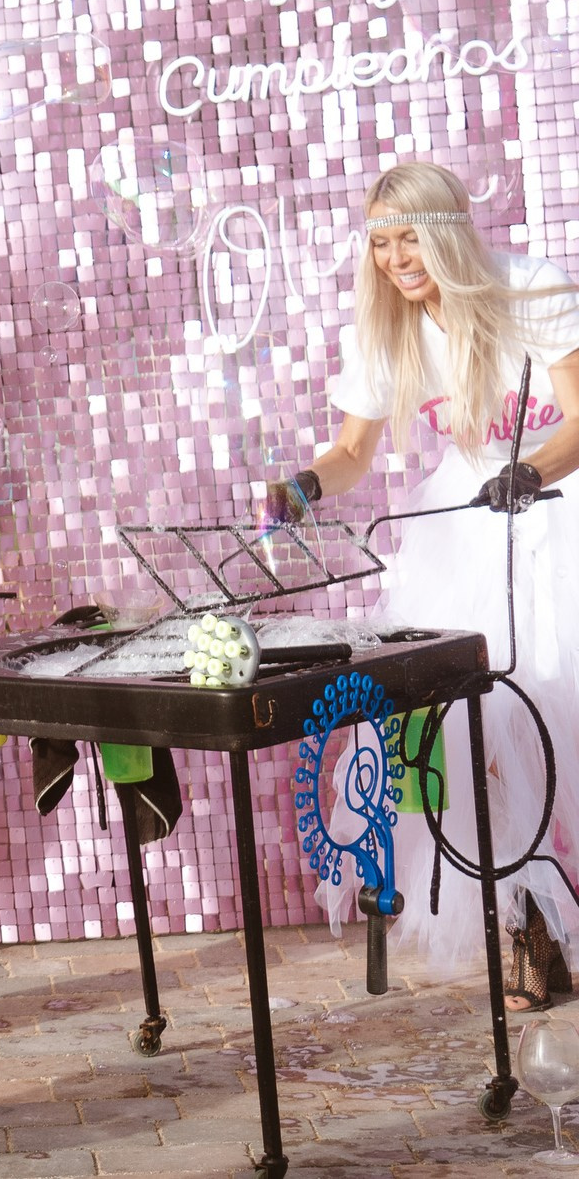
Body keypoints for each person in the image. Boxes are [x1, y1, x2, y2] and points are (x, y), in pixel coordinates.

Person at [284, 161, 579, 1007]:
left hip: (554, 511)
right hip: (467, 524)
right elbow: (351, 454)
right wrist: (301, 485)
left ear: (447, 229)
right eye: (381, 241)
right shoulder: (390, 329)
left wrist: (530, 470)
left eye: (410, 235)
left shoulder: (531, 290)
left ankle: (548, 915)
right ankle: (524, 924)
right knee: (461, 725)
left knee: (546, 712)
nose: (395, 257)